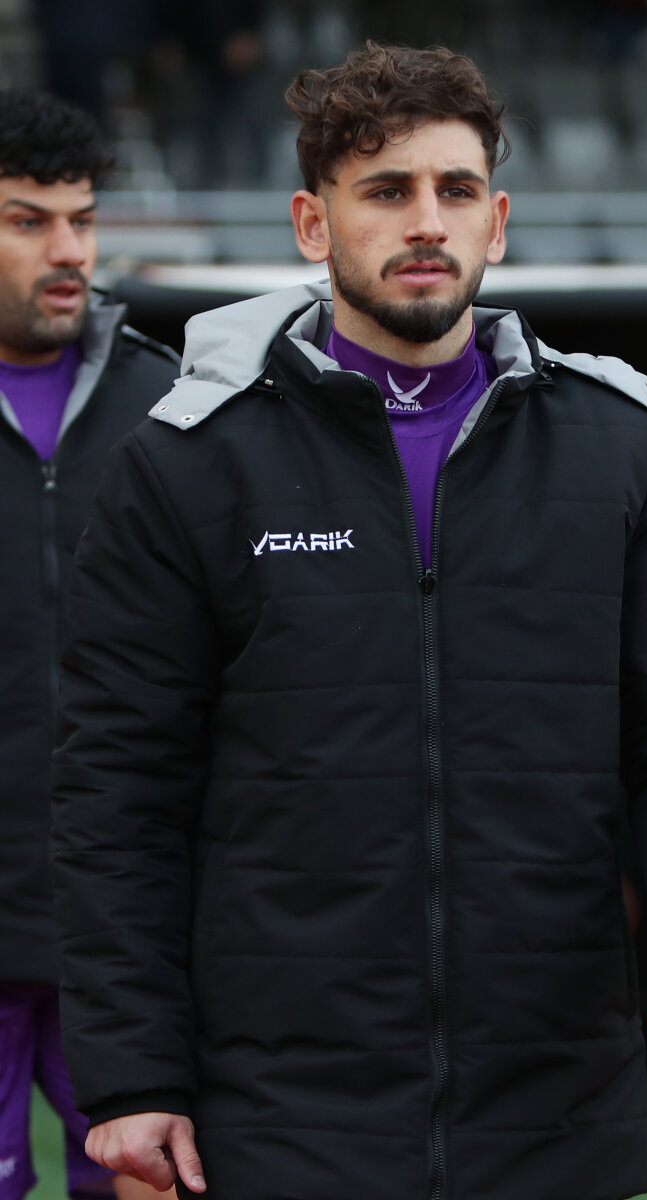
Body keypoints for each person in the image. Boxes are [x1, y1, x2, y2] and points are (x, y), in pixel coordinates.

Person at [52, 44, 647, 1200]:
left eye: (453, 189)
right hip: (285, 1115)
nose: (425, 221)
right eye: (385, 190)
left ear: (497, 220)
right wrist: (134, 1072)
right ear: (312, 221)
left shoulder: (619, 445)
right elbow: (118, 791)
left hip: (556, 1109)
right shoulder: (186, 464)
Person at [0, 90, 180, 1200]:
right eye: (27, 221)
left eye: (82, 219)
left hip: (133, 929)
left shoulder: (172, 405)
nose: (69, 251)